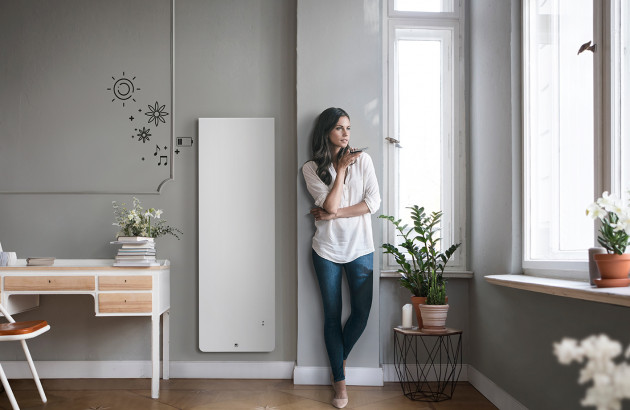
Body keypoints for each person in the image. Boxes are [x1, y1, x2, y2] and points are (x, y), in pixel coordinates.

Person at [302, 107, 381, 409]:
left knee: (361, 313)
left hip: (361, 248)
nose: (346, 133)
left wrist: (332, 214)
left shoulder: (365, 160)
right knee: (332, 316)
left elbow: (372, 203)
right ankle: (340, 385)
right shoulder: (310, 168)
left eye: (348, 127)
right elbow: (330, 202)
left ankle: (340, 359)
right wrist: (342, 171)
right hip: (327, 251)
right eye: (339, 128)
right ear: (326, 133)